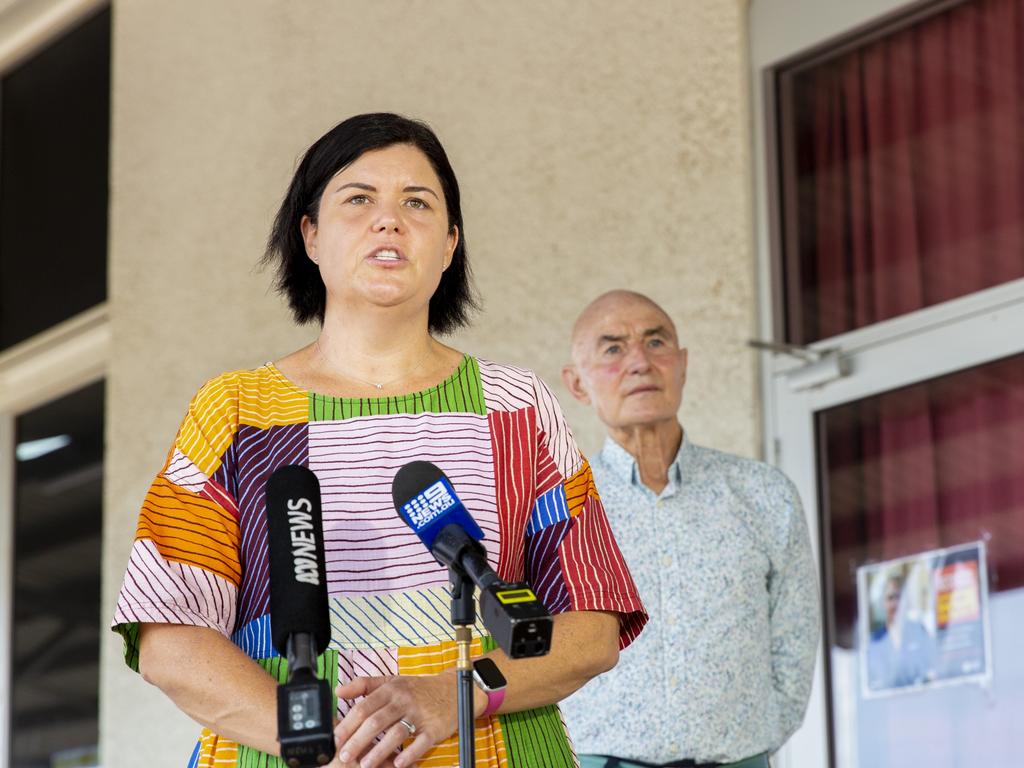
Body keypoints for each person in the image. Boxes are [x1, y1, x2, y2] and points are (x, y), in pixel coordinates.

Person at [110, 114, 647, 768]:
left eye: (416, 203)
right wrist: (316, 741)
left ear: (450, 244)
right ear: (310, 234)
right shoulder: (235, 411)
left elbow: (591, 628)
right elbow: (171, 638)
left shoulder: (517, 406)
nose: (388, 220)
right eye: (358, 199)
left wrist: (459, 692)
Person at [558, 290, 819, 768]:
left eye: (656, 342)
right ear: (578, 385)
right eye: (613, 348)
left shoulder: (763, 493)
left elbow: (794, 645)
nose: (639, 361)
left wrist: (746, 741)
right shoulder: (558, 506)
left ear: (681, 365)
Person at [865, 572, 937, 691]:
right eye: (890, 598)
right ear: (883, 603)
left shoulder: (919, 632)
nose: (895, 604)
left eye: (899, 597)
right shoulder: (875, 641)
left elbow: (932, 672)